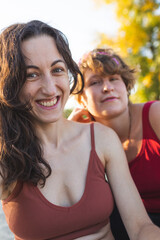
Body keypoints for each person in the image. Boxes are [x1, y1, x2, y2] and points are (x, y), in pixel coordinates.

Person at [0, 21, 160, 240]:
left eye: (57, 70)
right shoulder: (6, 154)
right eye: (31, 75)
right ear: (10, 83)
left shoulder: (102, 138)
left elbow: (141, 227)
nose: (49, 88)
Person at [68, 48, 160, 239]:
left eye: (113, 79)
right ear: (81, 99)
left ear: (126, 86)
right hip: (134, 223)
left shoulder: (155, 115)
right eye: (95, 82)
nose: (107, 87)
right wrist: (69, 129)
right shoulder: (86, 136)